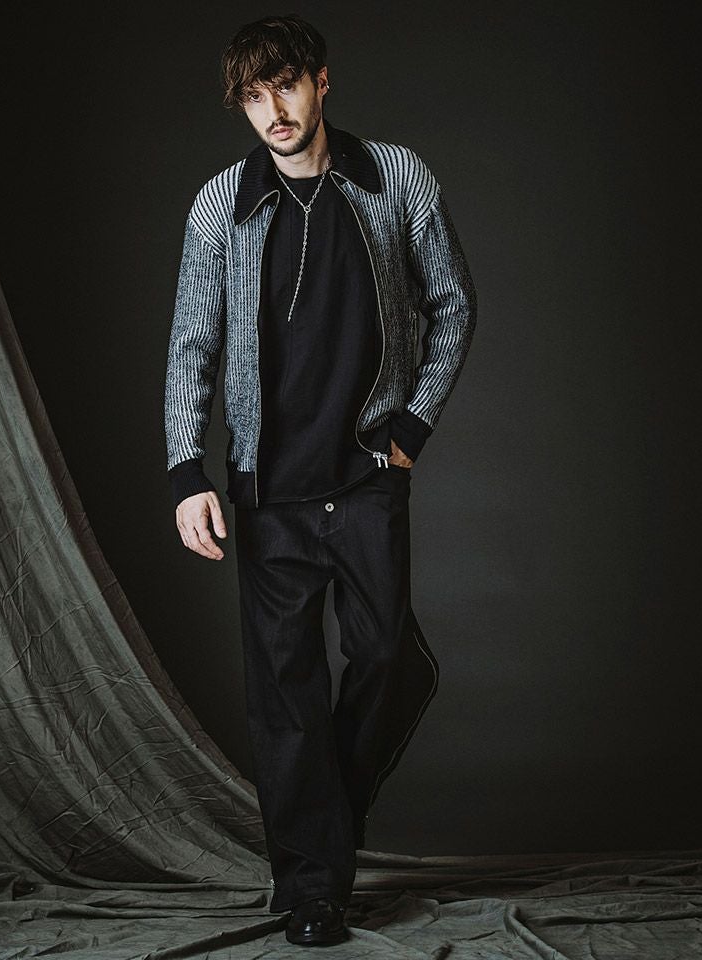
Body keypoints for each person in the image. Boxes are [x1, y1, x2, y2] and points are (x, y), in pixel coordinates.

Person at [164, 14, 477, 947]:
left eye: (287, 86)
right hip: (267, 491)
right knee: (286, 696)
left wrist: (411, 427)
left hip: (368, 476)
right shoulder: (220, 206)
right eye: (254, 96)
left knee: (385, 659)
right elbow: (192, 343)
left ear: (322, 81)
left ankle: (317, 830)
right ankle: (314, 888)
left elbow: (453, 304)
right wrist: (186, 471)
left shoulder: (395, 177)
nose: (274, 111)